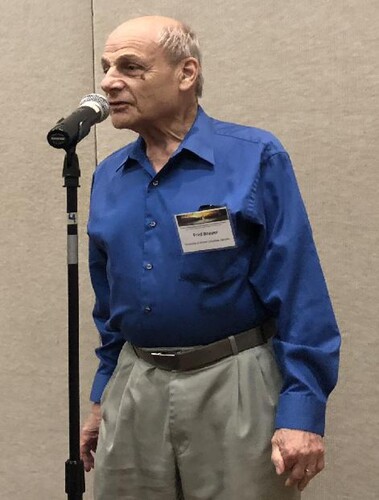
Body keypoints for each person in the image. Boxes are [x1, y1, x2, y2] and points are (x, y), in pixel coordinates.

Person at [80, 15, 340, 500]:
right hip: (135, 385)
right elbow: (108, 305)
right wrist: (101, 397)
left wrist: (302, 413)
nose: (108, 81)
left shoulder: (254, 156)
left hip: (235, 383)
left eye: (130, 67)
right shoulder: (109, 176)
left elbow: (301, 292)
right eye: (106, 67)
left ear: (186, 73)